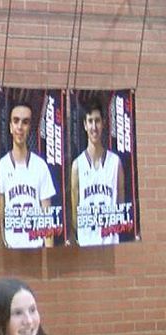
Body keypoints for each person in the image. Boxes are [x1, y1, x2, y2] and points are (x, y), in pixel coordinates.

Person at [0, 100, 58, 249]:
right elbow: (0, 218)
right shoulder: (2, 166)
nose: (20, 127)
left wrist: (48, 253)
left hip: (35, 249)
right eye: (16, 121)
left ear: (30, 128)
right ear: (10, 127)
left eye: (25, 122)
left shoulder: (40, 166)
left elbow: (47, 218)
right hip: (11, 250)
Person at [70, 95, 127, 247]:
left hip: (110, 243)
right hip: (86, 243)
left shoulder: (115, 163)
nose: (94, 127)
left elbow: (121, 205)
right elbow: (75, 211)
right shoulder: (77, 165)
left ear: (103, 124)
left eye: (97, 121)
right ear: (84, 125)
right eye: (90, 121)